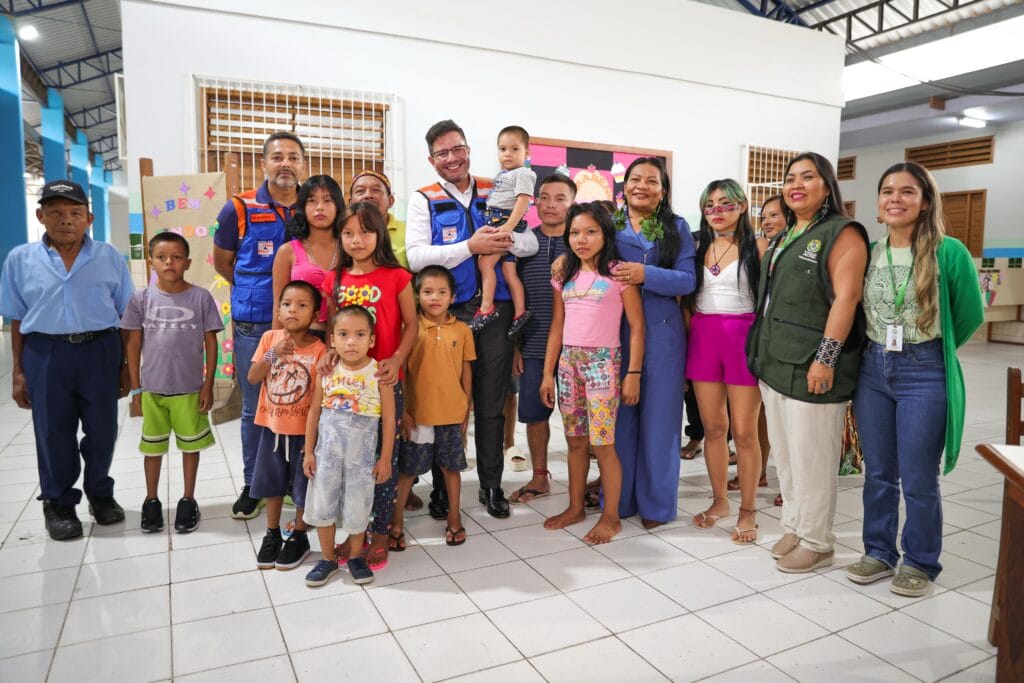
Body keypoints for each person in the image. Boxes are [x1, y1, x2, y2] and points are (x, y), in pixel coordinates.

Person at [846, 162, 984, 597]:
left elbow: (969, 314)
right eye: (887, 191)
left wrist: (929, 351)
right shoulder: (869, 250)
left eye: (907, 192)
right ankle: (879, 551)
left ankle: (921, 560)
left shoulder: (950, 251)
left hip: (924, 371)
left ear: (926, 201)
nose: (895, 199)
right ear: (878, 203)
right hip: (873, 369)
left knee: (919, 476)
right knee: (879, 473)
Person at [405, 119, 538, 519]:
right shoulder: (422, 198)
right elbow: (415, 256)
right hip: (446, 319)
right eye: (442, 153)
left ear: (468, 150)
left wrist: (507, 239)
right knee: (445, 407)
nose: (451, 158)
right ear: (432, 160)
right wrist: (470, 246)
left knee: (491, 404)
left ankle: (492, 486)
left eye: (457, 149)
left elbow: (529, 241)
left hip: (493, 314)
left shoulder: (498, 186)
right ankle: (445, 489)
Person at [746, 152, 869, 573]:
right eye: (790, 178)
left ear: (827, 185)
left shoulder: (842, 232)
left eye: (808, 177)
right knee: (787, 454)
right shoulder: (785, 234)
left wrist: (826, 358)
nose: (796, 184)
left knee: (813, 458)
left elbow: (847, 299)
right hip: (777, 361)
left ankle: (819, 541)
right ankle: (796, 526)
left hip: (814, 365)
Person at [0, 180, 133, 540]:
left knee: (103, 429)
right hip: (46, 352)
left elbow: (126, 316)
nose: (65, 220)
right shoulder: (20, 260)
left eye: (74, 213)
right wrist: (18, 371)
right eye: (56, 212)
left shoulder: (109, 257)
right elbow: (16, 318)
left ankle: (100, 494)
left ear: (88, 218)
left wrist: (125, 366)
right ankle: (58, 503)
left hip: (100, 351)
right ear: (40, 215)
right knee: (53, 431)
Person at [214, 131, 305, 521]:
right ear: (264, 163)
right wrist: (253, 291)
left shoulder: (314, 204)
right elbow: (222, 263)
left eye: (293, 157)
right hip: (254, 324)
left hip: (305, 323)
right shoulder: (238, 207)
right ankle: (253, 484)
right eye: (277, 156)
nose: (285, 163)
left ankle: (292, 482)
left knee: (298, 402)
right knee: (255, 408)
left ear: (303, 164)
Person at [540, 203, 645, 543]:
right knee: (575, 442)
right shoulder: (564, 275)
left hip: (603, 364)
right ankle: (575, 507)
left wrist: (633, 373)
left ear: (605, 233)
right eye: (574, 233)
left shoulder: (618, 273)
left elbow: (637, 327)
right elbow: (557, 327)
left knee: (603, 445)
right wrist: (547, 374)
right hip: (568, 365)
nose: (581, 240)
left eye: (590, 232)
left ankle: (611, 517)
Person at [320, 201, 416, 567]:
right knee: (352, 464)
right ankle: (354, 533)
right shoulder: (335, 279)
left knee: (382, 461)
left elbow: (412, 325)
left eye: (365, 231)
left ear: (380, 234)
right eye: (348, 233)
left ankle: (381, 532)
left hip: (384, 383)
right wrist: (331, 350)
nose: (357, 240)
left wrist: (396, 360)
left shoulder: (398, 276)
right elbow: (333, 325)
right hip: (346, 390)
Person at [610, 158, 697, 528]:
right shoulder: (608, 225)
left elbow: (687, 280)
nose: (642, 185)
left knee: (661, 421)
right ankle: (620, 499)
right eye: (635, 179)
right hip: (615, 333)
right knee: (620, 420)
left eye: (652, 180)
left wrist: (647, 274)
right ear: (624, 186)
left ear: (663, 190)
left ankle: (657, 505)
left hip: (663, 332)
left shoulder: (677, 228)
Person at [122, 232, 222, 533]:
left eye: (177, 257)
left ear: (187, 262)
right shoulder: (142, 298)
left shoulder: (201, 297)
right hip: (152, 390)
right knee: (152, 449)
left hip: (190, 390)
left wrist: (207, 385)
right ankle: (151, 501)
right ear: (151, 261)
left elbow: (211, 343)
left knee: (190, 447)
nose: (169, 263)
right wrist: (137, 389)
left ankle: (188, 500)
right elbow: (133, 344)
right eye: (162, 257)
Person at [687, 180, 767, 544]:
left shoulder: (760, 248)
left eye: (725, 203)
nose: (717, 210)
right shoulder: (695, 247)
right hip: (704, 337)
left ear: (742, 206)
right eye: (710, 205)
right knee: (714, 428)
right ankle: (720, 501)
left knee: (745, 432)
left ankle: (748, 510)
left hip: (743, 338)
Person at [303, 305, 396, 587]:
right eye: (343, 334)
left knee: (358, 505)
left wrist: (386, 459)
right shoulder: (326, 371)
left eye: (359, 334)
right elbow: (314, 413)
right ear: (332, 339)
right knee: (323, 503)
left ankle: (355, 556)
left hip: (361, 460)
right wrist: (308, 452)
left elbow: (390, 419)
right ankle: (328, 559)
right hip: (326, 456)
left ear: (372, 340)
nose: (351, 341)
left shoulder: (379, 374)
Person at [392, 266, 476, 546]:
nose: (434, 298)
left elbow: (466, 371)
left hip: (452, 414)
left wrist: (466, 408)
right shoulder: (410, 329)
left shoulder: (463, 330)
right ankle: (395, 523)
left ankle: (454, 517)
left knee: (452, 468)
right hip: (418, 416)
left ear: (453, 297)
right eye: (427, 292)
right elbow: (401, 371)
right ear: (417, 296)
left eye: (442, 292)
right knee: (408, 470)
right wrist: (403, 411)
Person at [248, 281, 327, 570]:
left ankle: (299, 535)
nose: (293, 310)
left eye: (302, 305)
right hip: (272, 429)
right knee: (272, 486)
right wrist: (274, 354)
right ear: (279, 310)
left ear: (316, 314)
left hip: (305, 434)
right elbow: (254, 377)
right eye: (287, 304)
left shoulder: (320, 350)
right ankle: (271, 534)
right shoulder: (270, 339)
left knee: (304, 487)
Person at [509, 174, 574, 504]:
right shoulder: (524, 243)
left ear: (572, 203)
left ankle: (586, 481)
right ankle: (539, 477)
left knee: (582, 416)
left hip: (579, 346)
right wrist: (518, 345)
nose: (551, 204)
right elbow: (516, 299)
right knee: (534, 414)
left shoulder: (581, 242)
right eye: (545, 197)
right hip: (534, 343)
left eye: (560, 198)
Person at [471, 126, 535, 338]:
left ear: (526, 153)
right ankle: (520, 313)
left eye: (514, 149)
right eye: (502, 149)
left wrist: (508, 227)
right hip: (501, 220)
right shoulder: (505, 174)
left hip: (504, 221)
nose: (507, 154)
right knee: (509, 271)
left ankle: (486, 307)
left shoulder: (524, 173)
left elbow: (523, 201)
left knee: (485, 263)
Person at [272, 175, 342, 339]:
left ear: (338, 207)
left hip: (344, 337)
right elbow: (278, 306)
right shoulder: (287, 251)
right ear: (302, 207)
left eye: (327, 200)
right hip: (299, 338)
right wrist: (275, 348)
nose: (320, 207)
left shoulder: (349, 249)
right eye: (312, 201)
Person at [349, 170, 409, 270]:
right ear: (350, 203)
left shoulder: (409, 232)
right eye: (360, 191)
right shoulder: (342, 234)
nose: (368, 195)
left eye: (376, 190)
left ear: (391, 201)